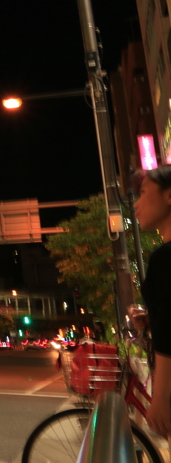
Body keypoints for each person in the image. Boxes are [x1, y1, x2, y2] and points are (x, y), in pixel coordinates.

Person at [131, 166, 171, 438]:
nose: (136, 203)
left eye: (144, 192)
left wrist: (161, 398)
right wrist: (153, 316)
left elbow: (170, 335)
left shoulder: (165, 259)